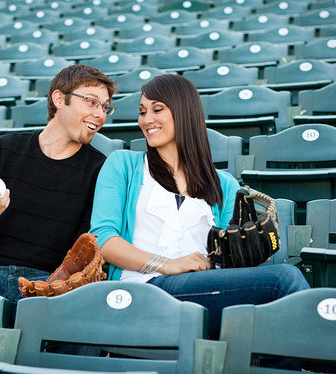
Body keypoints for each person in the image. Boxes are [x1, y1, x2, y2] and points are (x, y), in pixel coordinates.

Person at [90, 74, 310, 338]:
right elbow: (104, 240)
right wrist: (166, 264)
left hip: (203, 289)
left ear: (184, 112)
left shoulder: (223, 184)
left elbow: (229, 260)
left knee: (273, 311)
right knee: (284, 280)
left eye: (157, 109)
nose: (146, 120)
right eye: (142, 112)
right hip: (141, 288)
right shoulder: (123, 165)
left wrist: (249, 250)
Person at [0, 64, 116, 317]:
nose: (100, 115)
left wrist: (57, 283)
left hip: (50, 284)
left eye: (105, 107)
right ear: (59, 99)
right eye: (92, 103)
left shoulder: (100, 169)